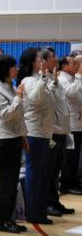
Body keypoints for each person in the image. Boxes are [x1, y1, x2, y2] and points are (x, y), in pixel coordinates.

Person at [0, 54, 27, 233]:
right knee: (4, 184)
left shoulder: (10, 87)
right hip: (3, 140)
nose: (16, 69)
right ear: (4, 69)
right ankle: (0, 221)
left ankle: (8, 219)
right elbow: (5, 115)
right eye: (13, 66)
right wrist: (18, 98)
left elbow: (18, 115)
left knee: (12, 183)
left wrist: (22, 136)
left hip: (14, 138)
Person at [19, 47, 55, 225]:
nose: (43, 61)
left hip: (43, 132)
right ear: (32, 62)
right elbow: (35, 99)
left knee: (40, 174)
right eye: (40, 59)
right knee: (34, 174)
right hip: (34, 132)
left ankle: (39, 210)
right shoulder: (29, 80)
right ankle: (33, 213)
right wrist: (43, 78)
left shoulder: (39, 79)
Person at [43, 48, 75, 216]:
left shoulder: (53, 77)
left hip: (61, 130)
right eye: (52, 57)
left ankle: (54, 201)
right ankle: (47, 203)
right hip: (52, 131)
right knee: (48, 170)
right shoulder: (42, 79)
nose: (56, 59)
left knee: (56, 170)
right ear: (43, 61)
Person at [60, 54, 82, 194]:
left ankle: (73, 182)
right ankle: (66, 184)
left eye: (77, 64)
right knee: (69, 156)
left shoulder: (73, 78)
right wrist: (79, 75)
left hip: (77, 123)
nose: (76, 66)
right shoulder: (62, 79)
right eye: (74, 64)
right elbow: (71, 92)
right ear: (64, 67)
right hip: (70, 125)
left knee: (75, 156)